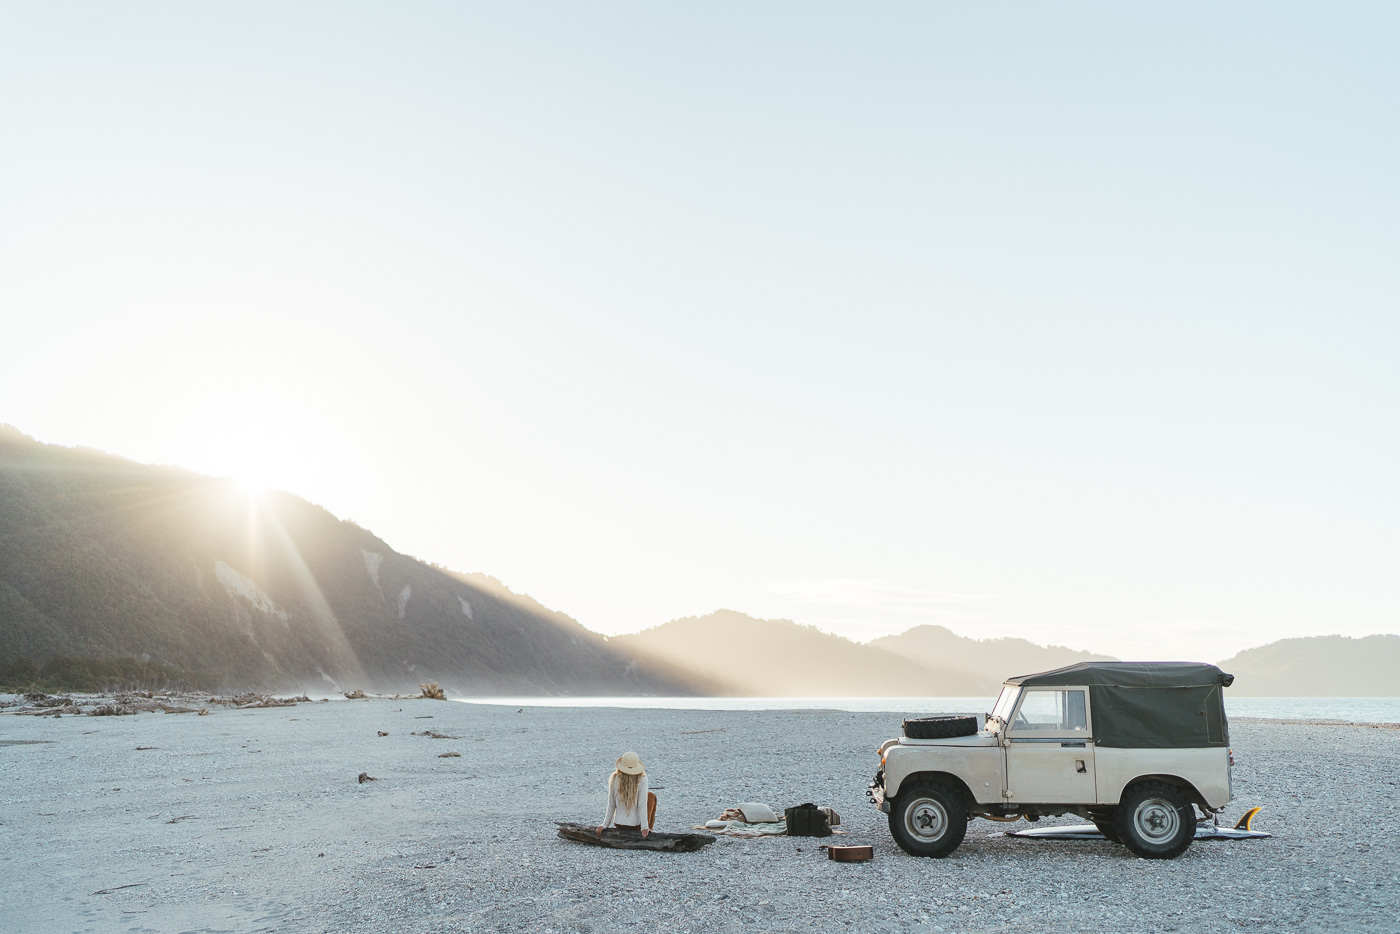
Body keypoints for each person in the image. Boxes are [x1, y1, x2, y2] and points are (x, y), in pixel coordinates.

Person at [597, 751, 657, 837]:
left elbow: (611, 804)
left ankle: (646, 828)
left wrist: (605, 824)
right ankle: (648, 830)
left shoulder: (614, 777)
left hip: (618, 824)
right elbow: (642, 805)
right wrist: (644, 827)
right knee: (651, 796)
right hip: (636, 826)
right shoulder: (643, 779)